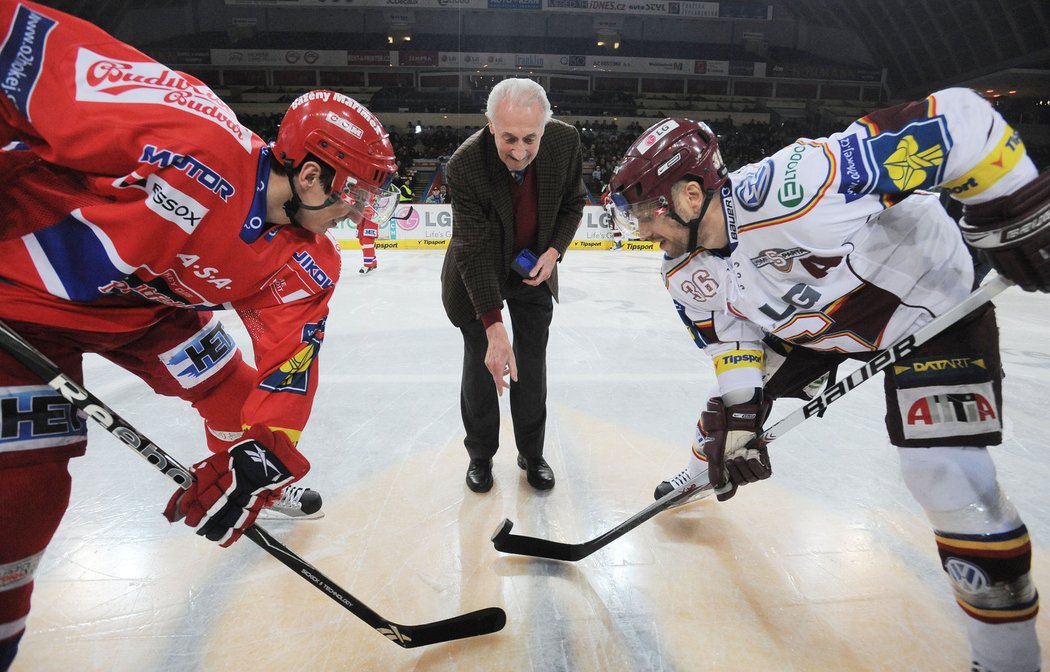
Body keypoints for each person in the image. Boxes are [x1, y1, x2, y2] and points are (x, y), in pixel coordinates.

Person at [0, 2, 399, 669]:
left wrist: (263, 457)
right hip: (26, 297)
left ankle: (253, 479)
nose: (358, 212)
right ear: (309, 174)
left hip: (148, 310)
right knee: (27, 484)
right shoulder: (188, 127)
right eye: (353, 195)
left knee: (240, 401)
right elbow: (20, 37)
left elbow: (287, 368)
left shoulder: (308, 258)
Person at [603, 89, 1047, 671]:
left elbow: (961, 121)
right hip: (816, 326)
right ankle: (697, 470)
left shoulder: (798, 184)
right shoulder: (683, 270)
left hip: (930, 308)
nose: (640, 231)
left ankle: (1007, 660)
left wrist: (1015, 206)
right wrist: (740, 423)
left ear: (690, 195)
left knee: (944, 476)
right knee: (728, 410)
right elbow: (734, 341)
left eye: (646, 214)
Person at [440, 78, 585, 493]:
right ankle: (480, 456)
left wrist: (554, 251)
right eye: (508, 138)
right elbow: (472, 248)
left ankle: (532, 453)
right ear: (490, 126)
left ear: (545, 128)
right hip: (477, 272)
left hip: (533, 268)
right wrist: (492, 325)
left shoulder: (565, 143)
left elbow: (574, 203)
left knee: (531, 364)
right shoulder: (466, 164)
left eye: (529, 138)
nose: (519, 151)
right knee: (483, 364)